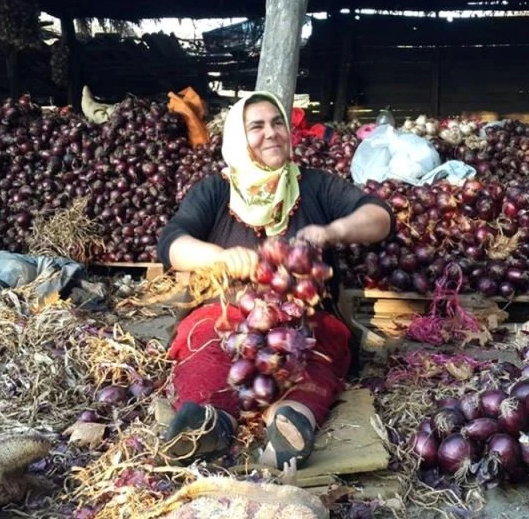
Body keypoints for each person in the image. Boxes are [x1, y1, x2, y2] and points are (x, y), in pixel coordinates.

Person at [156, 91, 393, 470]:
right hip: (228, 317)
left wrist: (332, 231)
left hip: (306, 320)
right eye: (257, 127)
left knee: (315, 354)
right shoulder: (216, 190)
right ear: (237, 137)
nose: (271, 133)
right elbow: (172, 243)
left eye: (277, 122)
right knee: (205, 344)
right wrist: (219, 257)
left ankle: (291, 419)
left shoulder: (314, 185)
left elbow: (380, 218)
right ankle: (209, 422)